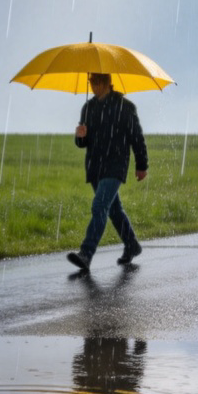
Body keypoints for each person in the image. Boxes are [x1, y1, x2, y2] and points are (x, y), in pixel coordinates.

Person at [67, 73, 147, 273]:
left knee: (100, 206)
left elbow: (136, 137)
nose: (93, 86)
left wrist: (141, 165)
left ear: (106, 82)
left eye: (96, 81)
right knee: (114, 210)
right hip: (95, 167)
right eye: (90, 82)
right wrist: (79, 136)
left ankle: (86, 253)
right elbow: (82, 143)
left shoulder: (125, 107)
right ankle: (132, 245)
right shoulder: (88, 108)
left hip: (115, 165)